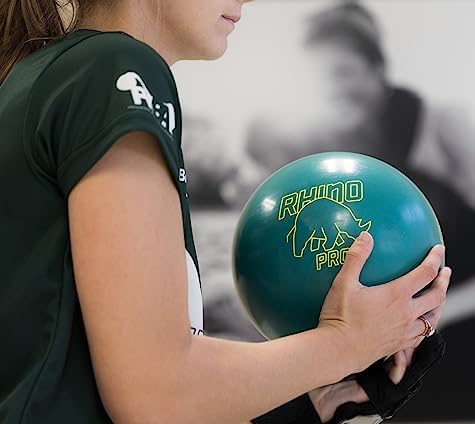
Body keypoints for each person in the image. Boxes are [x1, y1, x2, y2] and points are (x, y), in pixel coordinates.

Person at [0, 1, 450, 423]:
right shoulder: (114, 67)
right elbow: (156, 393)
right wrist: (346, 344)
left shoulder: (43, 77)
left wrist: (314, 403)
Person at [240, 1, 475, 419]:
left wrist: (432, 316)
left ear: (378, 71)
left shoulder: (442, 125)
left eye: (345, 72)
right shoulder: (329, 160)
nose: (335, 88)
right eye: (321, 78)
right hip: (396, 344)